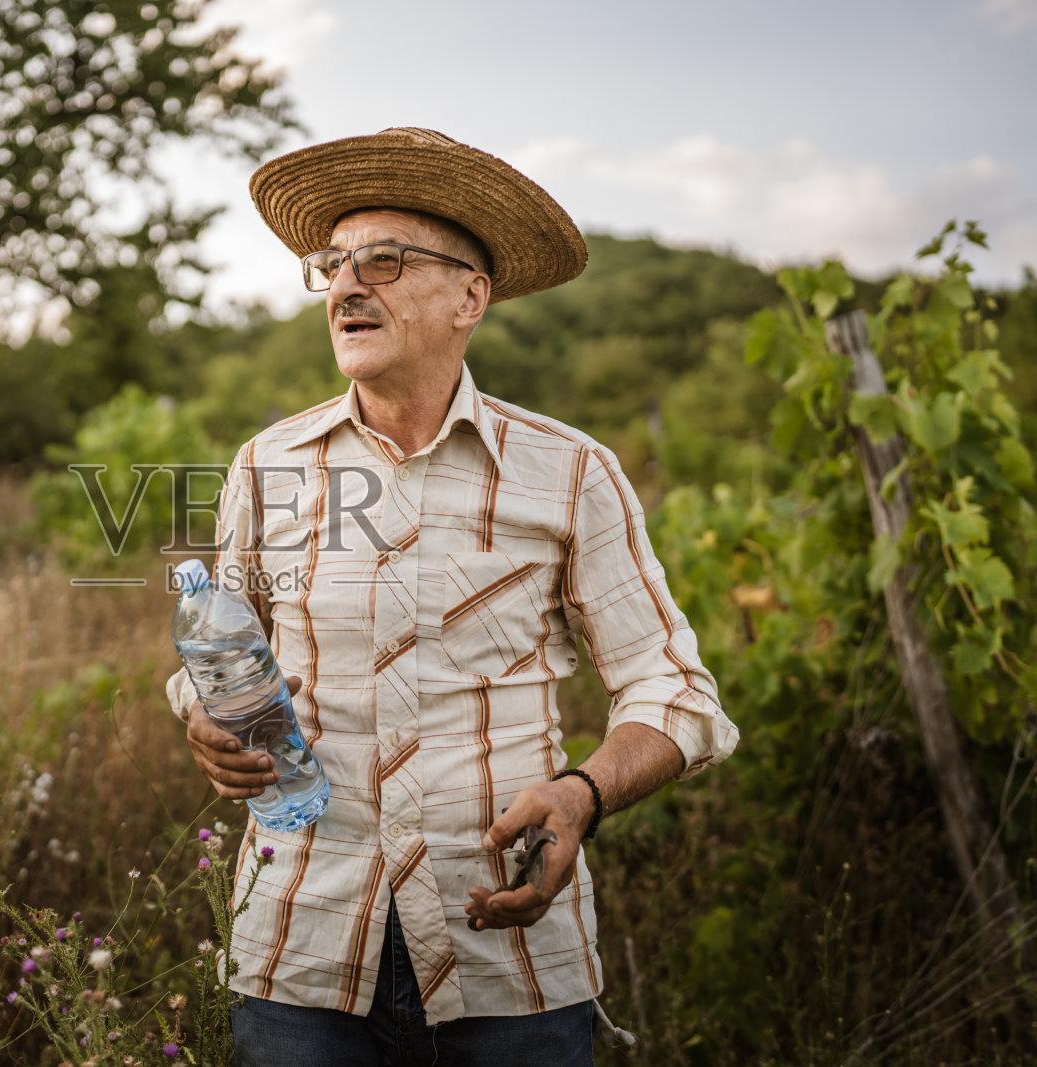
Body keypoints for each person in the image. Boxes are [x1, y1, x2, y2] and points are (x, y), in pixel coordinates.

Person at [163, 128, 740, 1066]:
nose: (347, 285)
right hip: (301, 946)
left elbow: (676, 692)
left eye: (384, 261)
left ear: (471, 297)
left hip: (509, 956)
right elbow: (220, 651)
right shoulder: (265, 465)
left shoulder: (570, 473)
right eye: (333, 266)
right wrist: (205, 715)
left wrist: (582, 792)